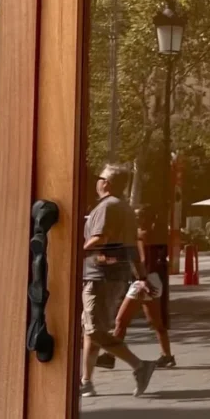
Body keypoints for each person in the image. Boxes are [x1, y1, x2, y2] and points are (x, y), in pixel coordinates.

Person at [80, 165, 156, 397]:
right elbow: (132, 247)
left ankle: (139, 365)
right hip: (115, 276)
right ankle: (86, 381)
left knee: (93, 328)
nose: (97, 181)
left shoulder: (107, 206)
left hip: (98, 275)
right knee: (94, 327)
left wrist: (75, 251)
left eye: (100, 178)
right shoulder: (125, 208)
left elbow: (99, 238)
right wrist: (141, 276)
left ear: (107, 183)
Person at [109, 206, 176, 367]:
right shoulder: (154, 235)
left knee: (121, 321)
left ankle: (109, 356)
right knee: (156, 323)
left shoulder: (140, 235)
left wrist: (140, 278)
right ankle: (167, 355)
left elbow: (140, 259)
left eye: (138, 217)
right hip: (153, 279)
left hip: (143, 281)